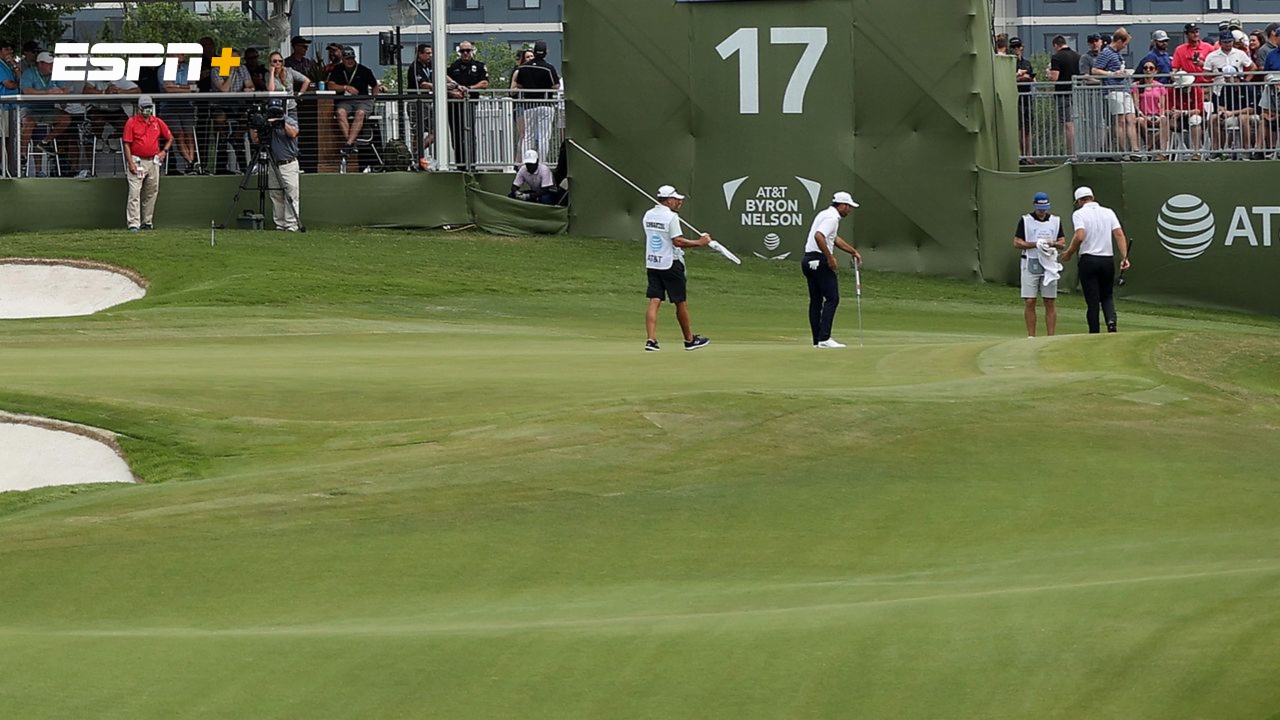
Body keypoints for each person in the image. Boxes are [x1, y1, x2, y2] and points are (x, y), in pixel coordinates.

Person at [643, 185, 712, 352]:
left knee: (654, 300)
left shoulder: (648, 214)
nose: (679, 202)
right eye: (676, 199)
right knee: (680, 302)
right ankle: (689, 340)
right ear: (668, 200)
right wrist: (699, 242)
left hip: (653, 262)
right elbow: (677, 241)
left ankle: (651, 340)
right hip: (670, 262)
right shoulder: (671, 217)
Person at [1061, 187, 1130, 334]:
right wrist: (1124, 257)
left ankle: (1094, 332)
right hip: (1107, 260)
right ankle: (1111, 322)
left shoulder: (1079, 214)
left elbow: (1080, 236)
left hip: (1089, 259)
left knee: (1092, 301)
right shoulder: (1108, 212)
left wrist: (1069, 253)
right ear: (1092, 197)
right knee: (1107, 295)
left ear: (1079, 201)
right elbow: (1119, 234)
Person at [801, 191, 862, 349]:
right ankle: (825, 338)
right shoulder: (832, 218)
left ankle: (818, 340)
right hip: (820, 260)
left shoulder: (824, 214)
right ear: (841, 205)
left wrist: (852, 251)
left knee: (816, 301)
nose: (849, 210)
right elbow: (819, 236)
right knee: (832, 298)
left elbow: (833, 238)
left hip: (808, 260)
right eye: (848, 207)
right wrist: (830, 257)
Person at [1013, 192, 1065, 338]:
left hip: (1049, 263)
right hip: (1030, 261)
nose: (1042, 212)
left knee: (1049, 300)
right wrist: (1035, 244)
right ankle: (1031, 336)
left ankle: (1051, 336)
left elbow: (1062, 242)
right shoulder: (1025, 220)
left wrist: (1051, 243)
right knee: (1030, 300)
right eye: (1040, 208)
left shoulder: (1055, 220)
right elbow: (1017, 242)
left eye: (1045, 208)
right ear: (1035, 206)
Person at [248, 98, 301, 232]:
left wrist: (281, 123)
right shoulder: (267, 123)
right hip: (273, 163)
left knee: (290, 194)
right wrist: (255, 126)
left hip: (288, 163)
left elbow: (294, 133)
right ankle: (280, 224)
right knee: (276, 194)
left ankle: (292, 224)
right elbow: (256, 141)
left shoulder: (289, 121)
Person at [121, 95, 172, 232]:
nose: (148, 110)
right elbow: (126, 144)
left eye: (149, 107)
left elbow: (169, 137)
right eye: (145, 108)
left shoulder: (157, 122)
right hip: (137, 160)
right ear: (139, 108)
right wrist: (130, 163)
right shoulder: (131, 122)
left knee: (151, 192)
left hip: (153, 161)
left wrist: (164, 152)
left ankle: (147, 221)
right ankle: (133, 223)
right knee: (134, 192)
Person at [1093, 28, 1140, 158]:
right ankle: (1123, 151)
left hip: (1124, 89)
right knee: (1120, 121)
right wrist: (1111, 74)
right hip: (1113, 89)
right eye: (1125, 44)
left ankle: (1135, 150)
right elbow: (1095, 70)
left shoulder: (1118, 54)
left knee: (1131, 119)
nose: (1125, 47)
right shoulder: (1106, 52)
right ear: (1119, 41)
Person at [511, 40, 561, 161]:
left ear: (534, 52)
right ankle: (542, 162)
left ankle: (526, 162)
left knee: (528, 136)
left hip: (529, 105)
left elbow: (519, 85)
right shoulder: (548, 68)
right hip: (545, 104)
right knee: (544, 136)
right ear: (546, 53)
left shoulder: (523, 68)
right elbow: (556, 86)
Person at [327, 46, 378, 156]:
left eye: (351, 58)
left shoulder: (364, 70)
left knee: (360, 113)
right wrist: (345, 87)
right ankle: (351, 143)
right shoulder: (337, 69)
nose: (349, 61)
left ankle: (348, 144)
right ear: (343, 59)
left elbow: (375, 86)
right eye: (347, 59)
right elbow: (330, 85)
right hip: (345, 101)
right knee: (340, 112)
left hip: (363, 101)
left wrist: (373, 100)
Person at [446, 41, 489, 169]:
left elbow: (485, 84)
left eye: (468, 51)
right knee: (456, 135)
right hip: (454, 105)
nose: (465, 53)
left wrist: (469, 88)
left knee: (469, 134)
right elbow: (444, 79)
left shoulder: (479, 66)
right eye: (462, 51)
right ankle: (460, 164)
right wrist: (454, 91)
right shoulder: (453, 67)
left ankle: (471, 164)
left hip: (470, 103)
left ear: (472, 51)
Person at [1048, 35, 1079, 154]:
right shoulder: (1077, 56)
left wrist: (1048, 74)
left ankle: (1071, 152)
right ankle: (1079, 150)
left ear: (1056, 45)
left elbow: (1054, 77)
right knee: (1077, 122)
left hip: (1063, 94)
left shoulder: (1056, 58)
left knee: (1068, 124)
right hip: (1076, 93)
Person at [1134, 60, 1170, 155]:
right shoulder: (1136, 86)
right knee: (1139, 120)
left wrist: (1160, 116)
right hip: (1143, 115)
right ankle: (1149, 145)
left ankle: (1150, 147)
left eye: (1151, 68)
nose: (1148, 70)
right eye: (1146, 68)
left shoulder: (1160, 86)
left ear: (1155, 71)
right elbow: (1136, 104)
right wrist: (1144, 116)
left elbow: (1162, 105)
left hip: (1157, 115)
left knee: (1164, 121)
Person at [1011, 37, 1035, 161]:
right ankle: (1021, 155)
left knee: (1027, 128)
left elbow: (1033, 78)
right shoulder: (1009, 63)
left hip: (1027, 98)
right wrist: (1019, 76)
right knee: (1019, 128)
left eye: (1018, 46)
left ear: (1022, 47)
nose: (1016, 49)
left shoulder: (1027, 63)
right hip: (1016, 98)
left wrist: (1028, 77)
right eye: (1013, 47)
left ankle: (1028, 155)